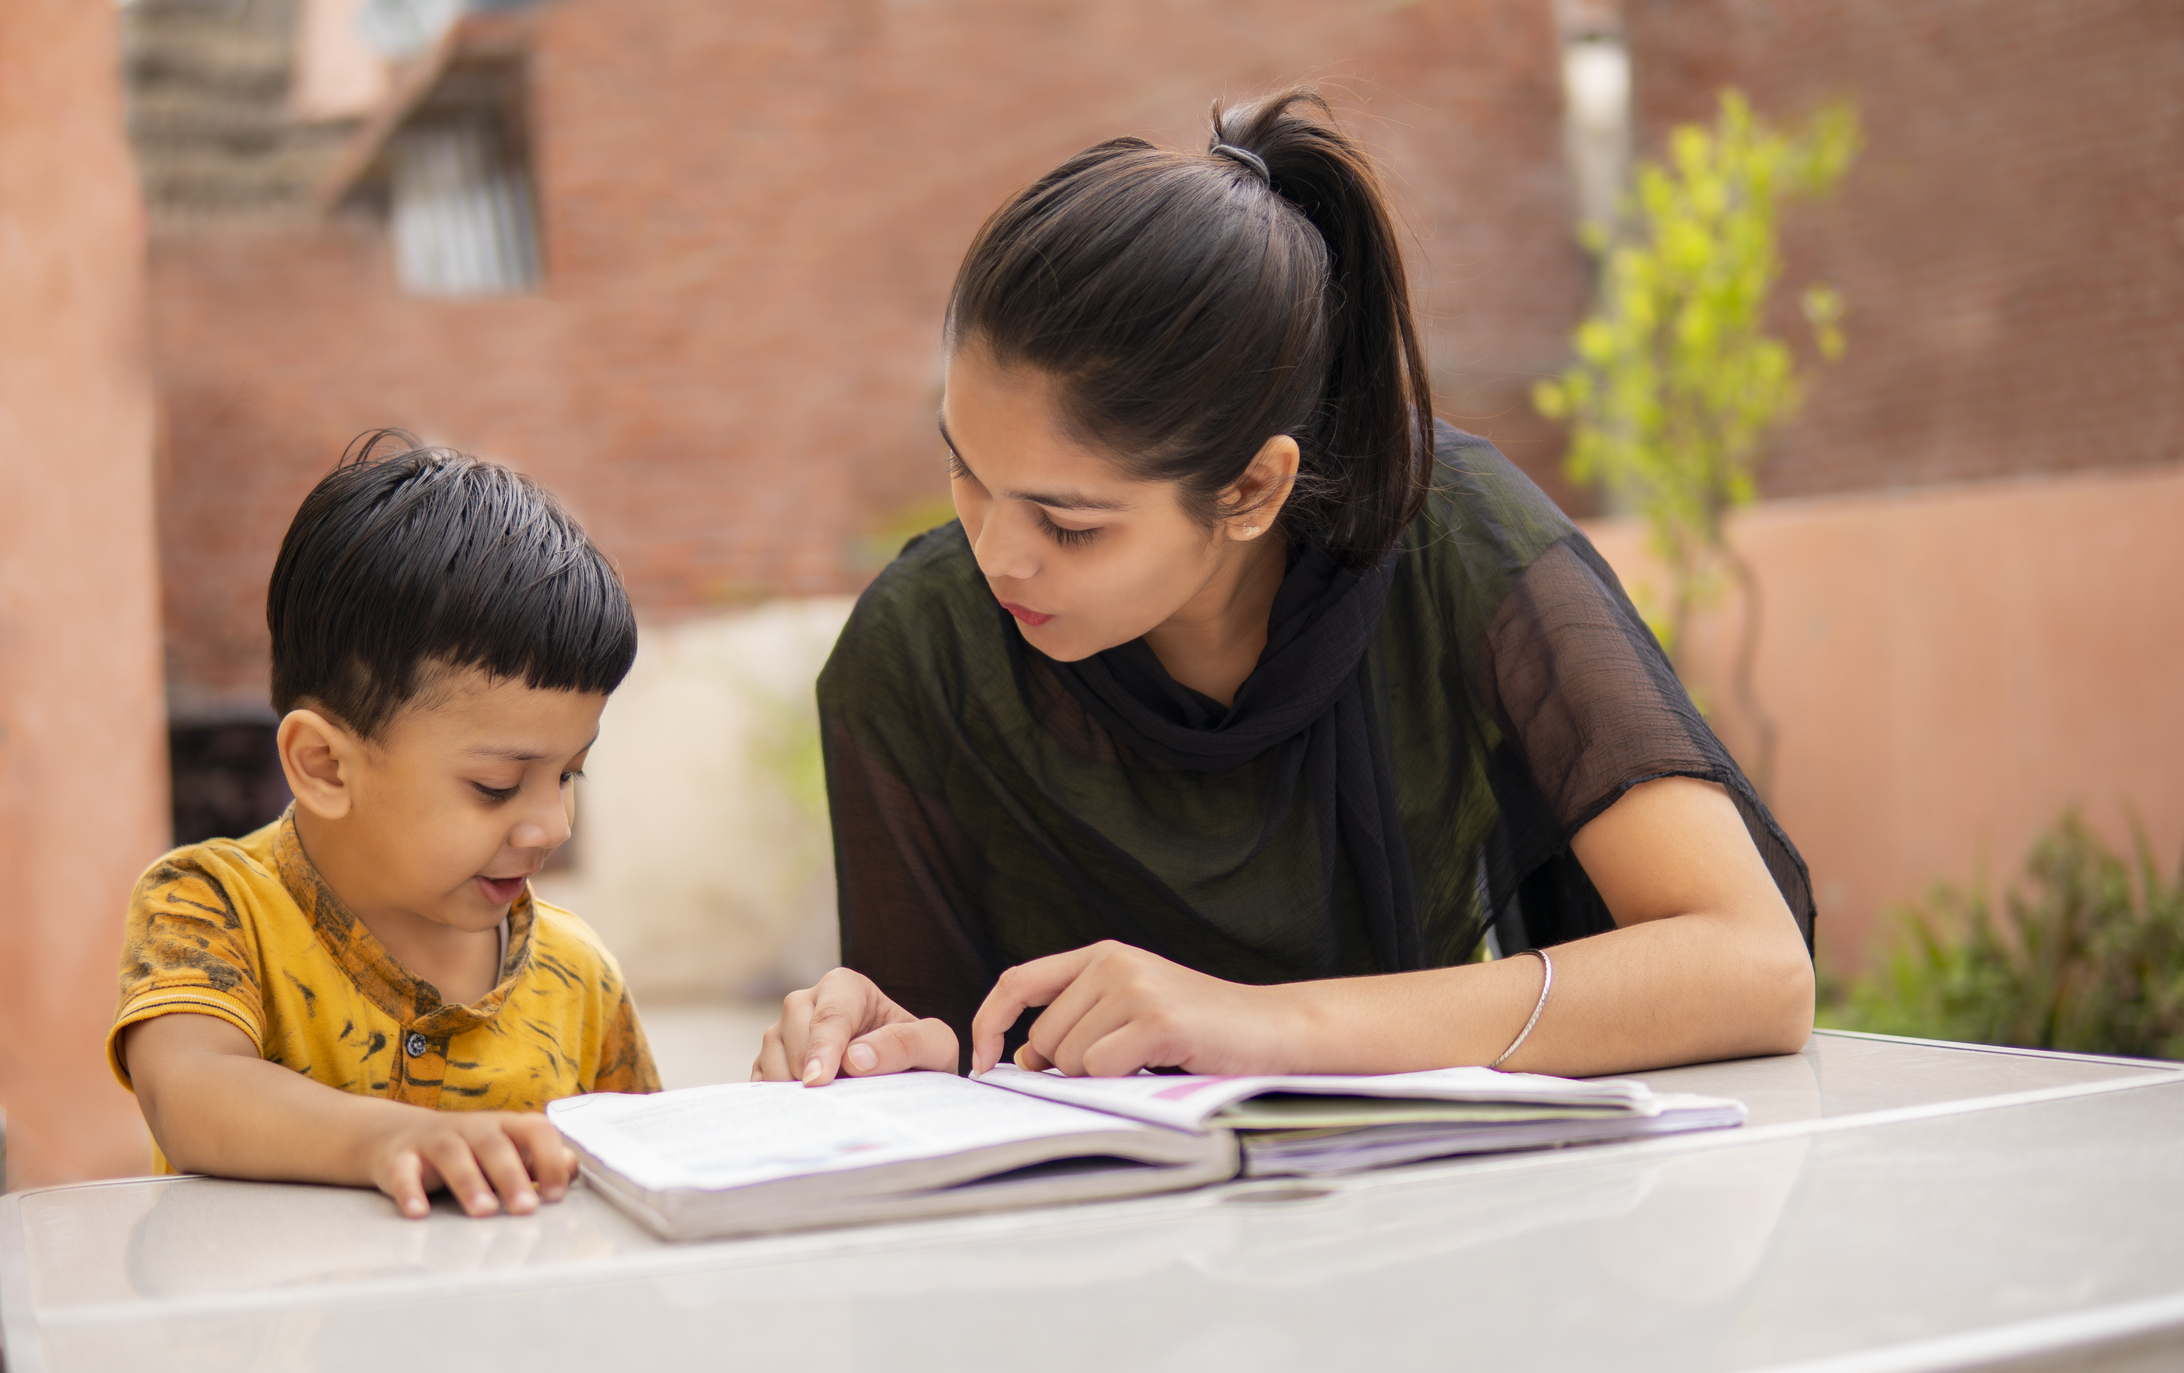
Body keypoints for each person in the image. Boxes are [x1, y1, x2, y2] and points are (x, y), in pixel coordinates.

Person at [757, 89, 1816, 1088]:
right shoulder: (920, 645)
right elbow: (953, 1065)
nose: (995, 555)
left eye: (1069, 523)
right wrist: (893, 1045)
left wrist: (1268, 1024)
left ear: (1254, 486)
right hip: (1098, 1245)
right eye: (967, 475)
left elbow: (1754, 965)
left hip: (1437, 1219)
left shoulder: (1451, 536)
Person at [111, 435, 658, 1220]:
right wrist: (389, 1139)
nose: (550, 825)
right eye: (496, 785)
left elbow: (640, 1188)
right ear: (326, 766)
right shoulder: (212, 906)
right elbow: (189, 1087)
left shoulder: (579, 976)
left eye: (570, 775)